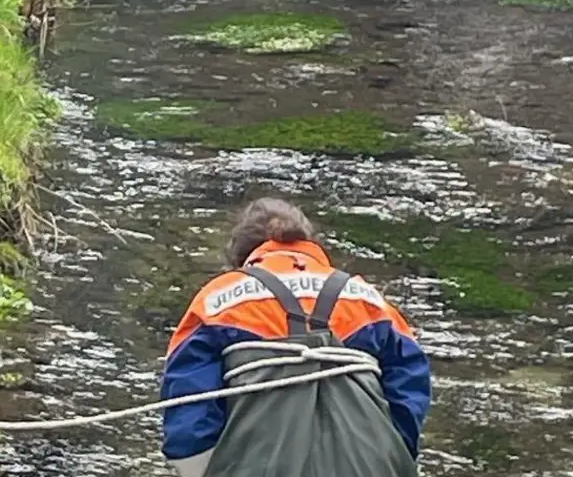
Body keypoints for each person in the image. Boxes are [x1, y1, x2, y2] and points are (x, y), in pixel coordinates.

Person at [158, 198, 432, 477]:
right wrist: (393, 458)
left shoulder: (216, 300)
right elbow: (410, 389)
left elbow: (187, 406)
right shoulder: (368, 299)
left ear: (242, 255)